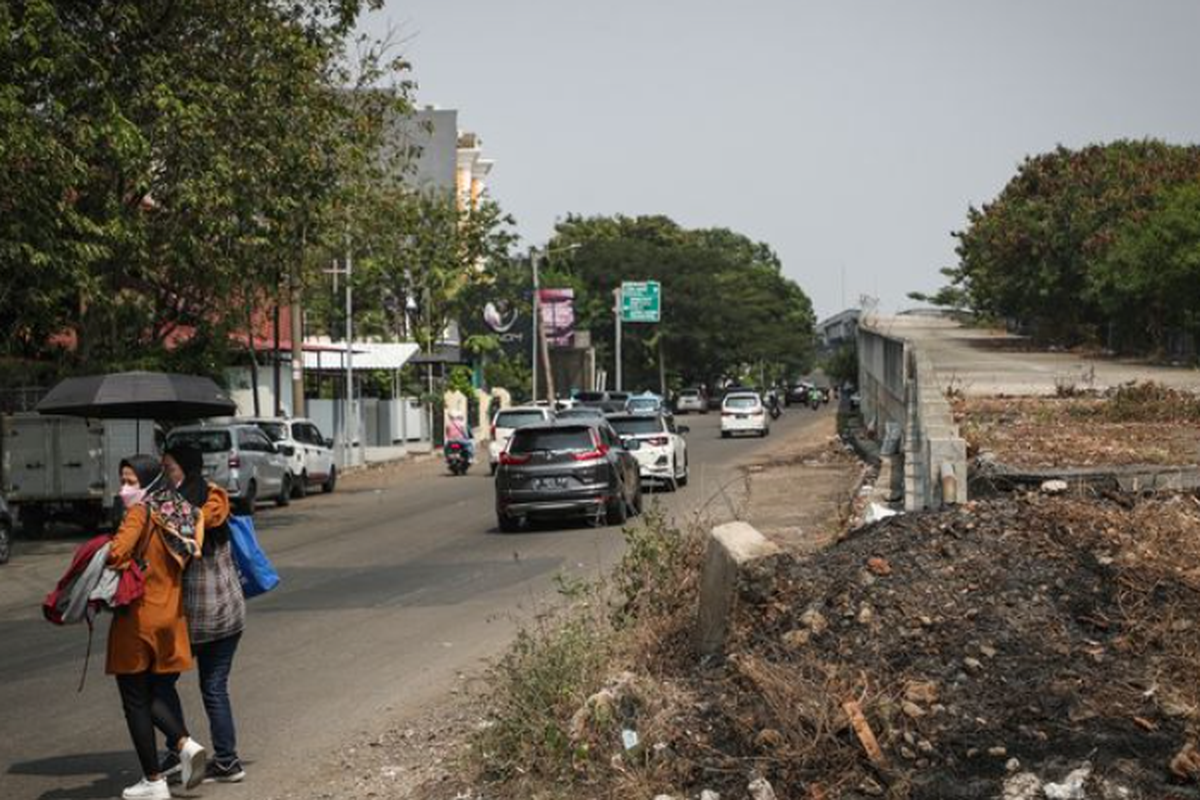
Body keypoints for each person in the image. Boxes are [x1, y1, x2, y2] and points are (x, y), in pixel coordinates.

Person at [108, 456, 208, 799]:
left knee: (133, 697)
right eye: (123, 480)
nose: (124, 488)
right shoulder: (176, 508)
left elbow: (116, 554)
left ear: (147, 483)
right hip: (169, 614)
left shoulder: (140, 513)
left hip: (139, 616)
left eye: (131, 481)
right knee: (149, 691)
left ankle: (154, 779)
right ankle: (183, 743)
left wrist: (116, 539)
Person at [155, 444, 245, 784]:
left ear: (186, 469)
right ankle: (228, 761)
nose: (165, 475)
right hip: (231, 614)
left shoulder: (180, 514)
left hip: (198, 619)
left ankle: (178, 750)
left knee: (157, 685)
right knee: (215, 687)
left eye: (170, 469)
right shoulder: (215, 499)